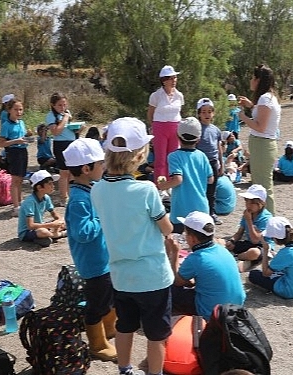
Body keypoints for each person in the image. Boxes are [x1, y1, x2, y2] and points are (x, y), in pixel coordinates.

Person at [91, 117, 175, 375]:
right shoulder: (146, 190)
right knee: (155, 334)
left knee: (125, 326)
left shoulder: (97, 190)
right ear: (139, 155)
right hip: (152, 276)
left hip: (121, 275)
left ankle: (124, 369)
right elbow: (167, 229)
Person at [63, 138, 117, 362]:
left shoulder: (89, 189)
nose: (103, 167)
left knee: (109, 296)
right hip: (93, 264)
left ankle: (109, 328)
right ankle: (97, 344)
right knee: (96, 304)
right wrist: (102, 217)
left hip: (104, 258)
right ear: (86, 169)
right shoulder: (78, 200)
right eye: (100, 163)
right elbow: (82, 233)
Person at [165, 211, 246, 321]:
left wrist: (174, 253)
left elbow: (177, 282)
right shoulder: (222, 250)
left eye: (186, 234)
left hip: (211, 312)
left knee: (168, 288)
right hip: (236, 307)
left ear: (193, 238)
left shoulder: (197, 258)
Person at [157, 116, 213, 234]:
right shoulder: (202, 156)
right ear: (198, 139)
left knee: (177, 244)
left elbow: (177, 180)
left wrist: (162, 186)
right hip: (201, 208)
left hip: (181, 210)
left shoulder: (174, 156)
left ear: (177, 136)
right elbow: (211, 179)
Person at [238, 64, 281, 214]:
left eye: (253, 77)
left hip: (263, 146)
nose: (251, 80)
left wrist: (243, 117)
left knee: (263, 188)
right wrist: (251, 105)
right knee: (261, 185)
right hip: (262, 145)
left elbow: (260, 126)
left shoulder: (265, 99)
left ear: (258, 80)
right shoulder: (267, 98)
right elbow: (263, 116)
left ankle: (270, 223)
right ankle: (264, 221)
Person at [249, 216, 293, 299]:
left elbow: (265, 273)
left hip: (290, 291)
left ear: (277, 239)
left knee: (254, 274)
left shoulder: (286, 252)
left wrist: (265, 250)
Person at [222, 184, 274, 272]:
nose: (248, 205)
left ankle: (237, 258)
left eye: (252, 203)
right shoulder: (248, 213)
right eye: (246, 201)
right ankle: (247, 261)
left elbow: (256, 240)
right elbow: (239, 233)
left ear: (261, 203)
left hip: (263, 246)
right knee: (220, 242)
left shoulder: (266, 218)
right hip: (248, 243)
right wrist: (232, 241)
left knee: (254, 253)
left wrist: (249, 221)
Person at [147, 65, 184, 181]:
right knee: (160, 158)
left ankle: (171, 183)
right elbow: (150, 113)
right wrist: (153, 127)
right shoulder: (156, 96)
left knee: (172, 157)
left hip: (175, 127)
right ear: (164, 80)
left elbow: (179, 111)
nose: (174, 81)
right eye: (170, 78)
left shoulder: (179, 95)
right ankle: (161, 184)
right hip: (160, 127)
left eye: (175, 78)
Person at [0, 98, 30, 216]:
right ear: (9, 110)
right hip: (13, 152)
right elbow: (1, 143)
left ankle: (19, 202)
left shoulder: (21, 122)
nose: (19, 112)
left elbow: (23, 135)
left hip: (23, 151)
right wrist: (16, 141)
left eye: (21, 109)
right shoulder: (6, 125)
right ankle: (16, 206)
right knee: (15, 179)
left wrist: (28, 137)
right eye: (16, 109)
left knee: (21, 179)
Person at [17, 170, 65, 248]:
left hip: (41, 225)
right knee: (42, 231)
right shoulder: (30, 202)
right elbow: (30, 226)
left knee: (65, 220)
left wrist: (59, 221)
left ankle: (49, 236)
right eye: (50, 184)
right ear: (39, 187)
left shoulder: (46, 197)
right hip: (27, 232)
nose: (53, 186)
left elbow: (54, 214)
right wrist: (52, 225)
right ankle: (58, 234)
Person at [196, 98, 224, 225]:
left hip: (213, 162)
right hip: (200, 163)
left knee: (212, 190)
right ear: (199, 113)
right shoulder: (196, 129)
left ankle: (211, 213)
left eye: (209, 111)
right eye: (204, 112)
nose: (207, 114)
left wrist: (221, 164)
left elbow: (219, 148)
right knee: (200, 188)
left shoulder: (216, 130)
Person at [46, 92, 78, 205]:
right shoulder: (51, 116)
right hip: (60, 144)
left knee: (73, 171)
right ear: (53, 105)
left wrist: (78, 129)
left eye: (64, 104)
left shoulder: (67, 113)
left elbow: (68, 129)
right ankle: (64, 197)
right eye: (60, 105)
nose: (63, 107)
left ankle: (71, 195)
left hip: (72, 142)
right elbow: (56, 131)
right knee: (64, 172)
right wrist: (65, 118)